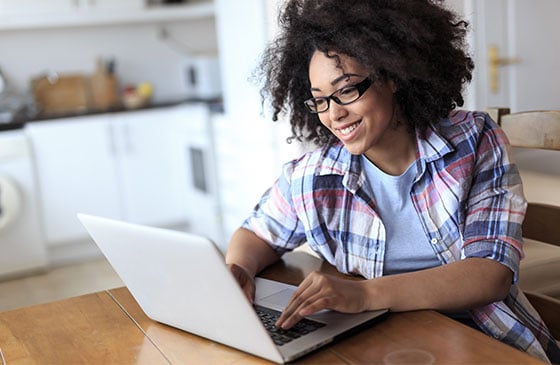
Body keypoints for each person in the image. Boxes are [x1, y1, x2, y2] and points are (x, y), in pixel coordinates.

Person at [225, 0, 560, 363]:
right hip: (386, 342)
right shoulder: (314, 176)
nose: (334, 114)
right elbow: (257, 233)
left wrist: (365, 295)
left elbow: (490, 273)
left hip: (485, 341)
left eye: (347, 89)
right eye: (320, 100)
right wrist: (239, 270)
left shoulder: (473, 141)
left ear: (392, 75)